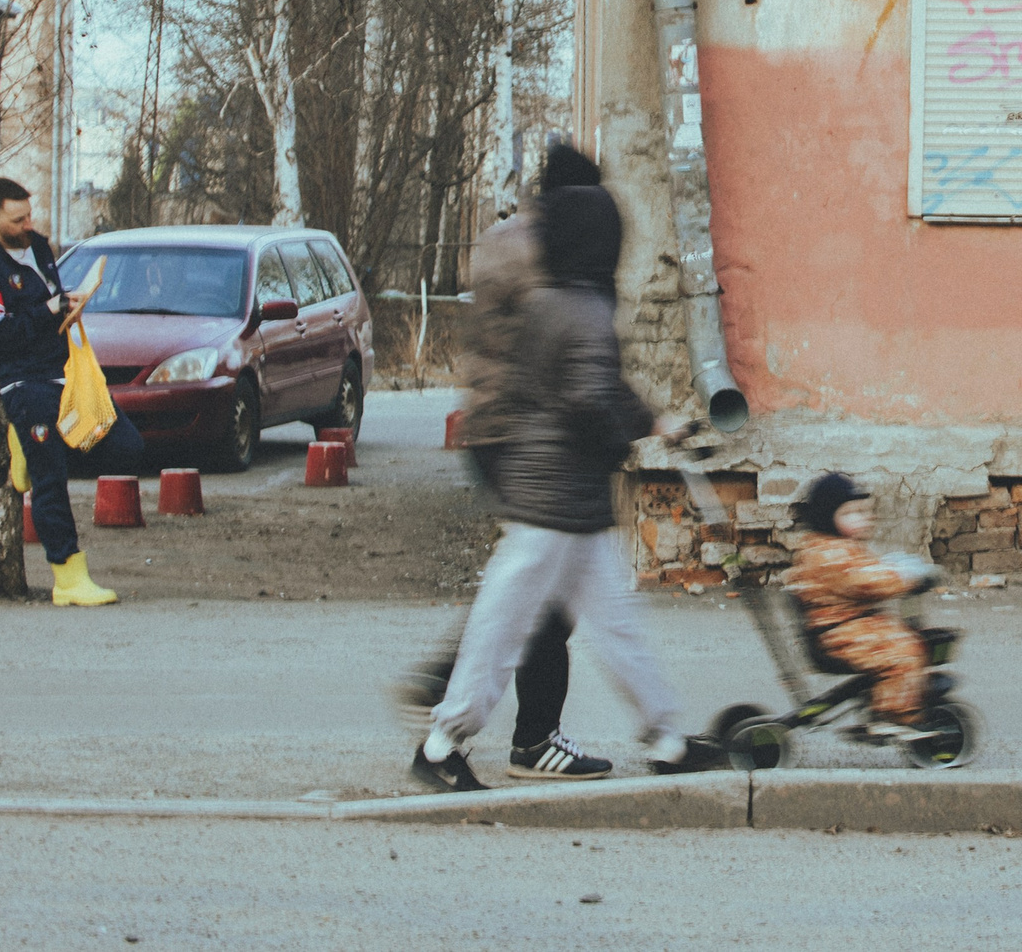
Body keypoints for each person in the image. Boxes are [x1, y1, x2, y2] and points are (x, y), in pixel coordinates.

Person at [410, 145, 715, 791]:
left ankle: (666, 736)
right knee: (503, 626)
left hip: (561, 498)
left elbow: (590, 387)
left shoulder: (552, 303)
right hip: (553, 503)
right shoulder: (586, 312)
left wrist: (657, 423)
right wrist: (627, 437)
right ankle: (442, 743)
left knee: (608, 622)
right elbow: (591, 399)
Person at [396, 143, 613, 781]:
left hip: (489, 428)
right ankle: (530, 736)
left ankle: (461, 690)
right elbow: (572, 342)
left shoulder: (501, 239)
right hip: (530, 437)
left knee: (531, 580)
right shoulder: (550, 253)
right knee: (541, 591)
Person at [0, 175, 144, 607]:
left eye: (30, 215)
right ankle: (68, 577)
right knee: (50, 482)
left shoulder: (42, 246)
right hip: (25, 383)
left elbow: (52, 299)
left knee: (127, 447)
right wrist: (47, 310)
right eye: (17, 219)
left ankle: (29, 446)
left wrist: (69, 303)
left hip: (66, 373)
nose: (28, 224)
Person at [785, 471, 942, 738]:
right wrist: (905, 578)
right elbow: (866, 581)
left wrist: (899, 567)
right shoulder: (828, 553)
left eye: (863, 511)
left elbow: (869, 569)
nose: (863, 518)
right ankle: (891, 715)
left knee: (902, 637)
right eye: (850, 513)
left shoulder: (838, 546)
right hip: (836, 635)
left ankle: (884, 700)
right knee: (903, 651)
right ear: (828, 518)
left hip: (847, 625)